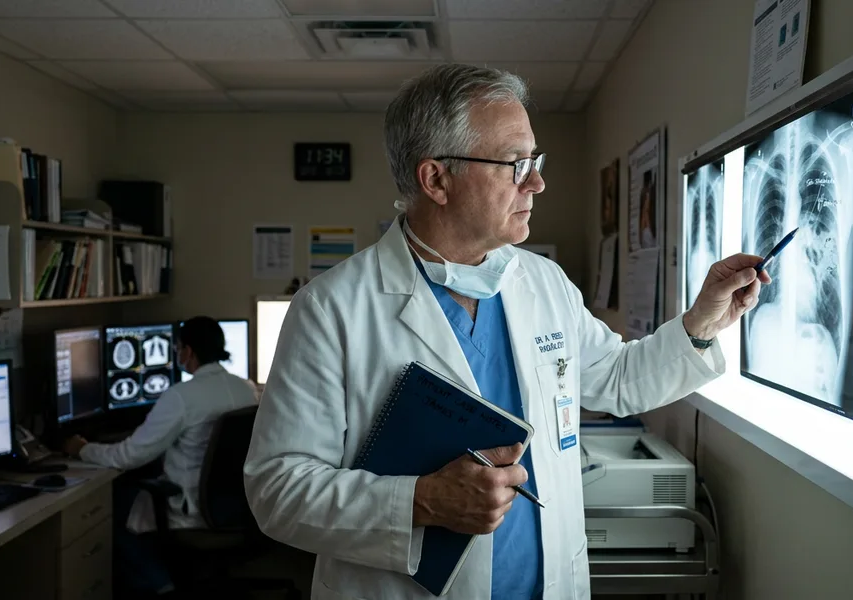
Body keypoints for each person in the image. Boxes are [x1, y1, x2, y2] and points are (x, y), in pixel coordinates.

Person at [242, 64, 770, 600]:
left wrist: (702, 320)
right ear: (436, 180)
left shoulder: (541, 282)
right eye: (516, 164)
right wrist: (421, 501)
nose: (537, 182)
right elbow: (276, 490)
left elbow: (615, 379)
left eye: (535, 161)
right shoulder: (331, 309)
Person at [64, 316, 259, 597]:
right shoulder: (246, 388)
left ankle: (160, 585)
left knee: (114, 505)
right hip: (235, 505)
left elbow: (129, 456)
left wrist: (81, 449)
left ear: (188, 351)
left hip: (192, 508)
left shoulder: (181, 396)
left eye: (178, 347)